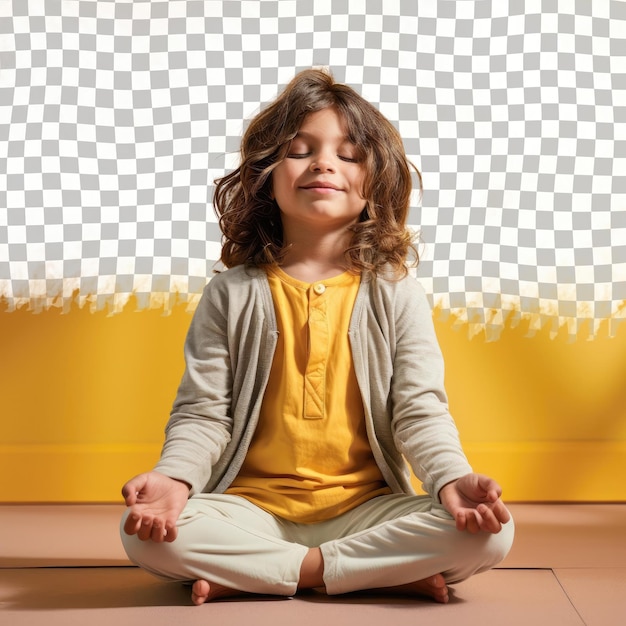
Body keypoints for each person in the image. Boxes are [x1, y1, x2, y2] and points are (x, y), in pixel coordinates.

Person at [120, 68, 514, 606]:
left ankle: (271, 575)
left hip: (369, 511)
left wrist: (451, 481)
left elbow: (419, 410)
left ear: (376, 184)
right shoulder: (231, 294)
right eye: (300, 150)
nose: (323, 163)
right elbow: (203, 413)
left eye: (348, 155)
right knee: (142, 535)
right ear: (266, 175)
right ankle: (365, 574)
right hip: (248, 511)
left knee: (491, 533)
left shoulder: (395, 293)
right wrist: (173, 481)